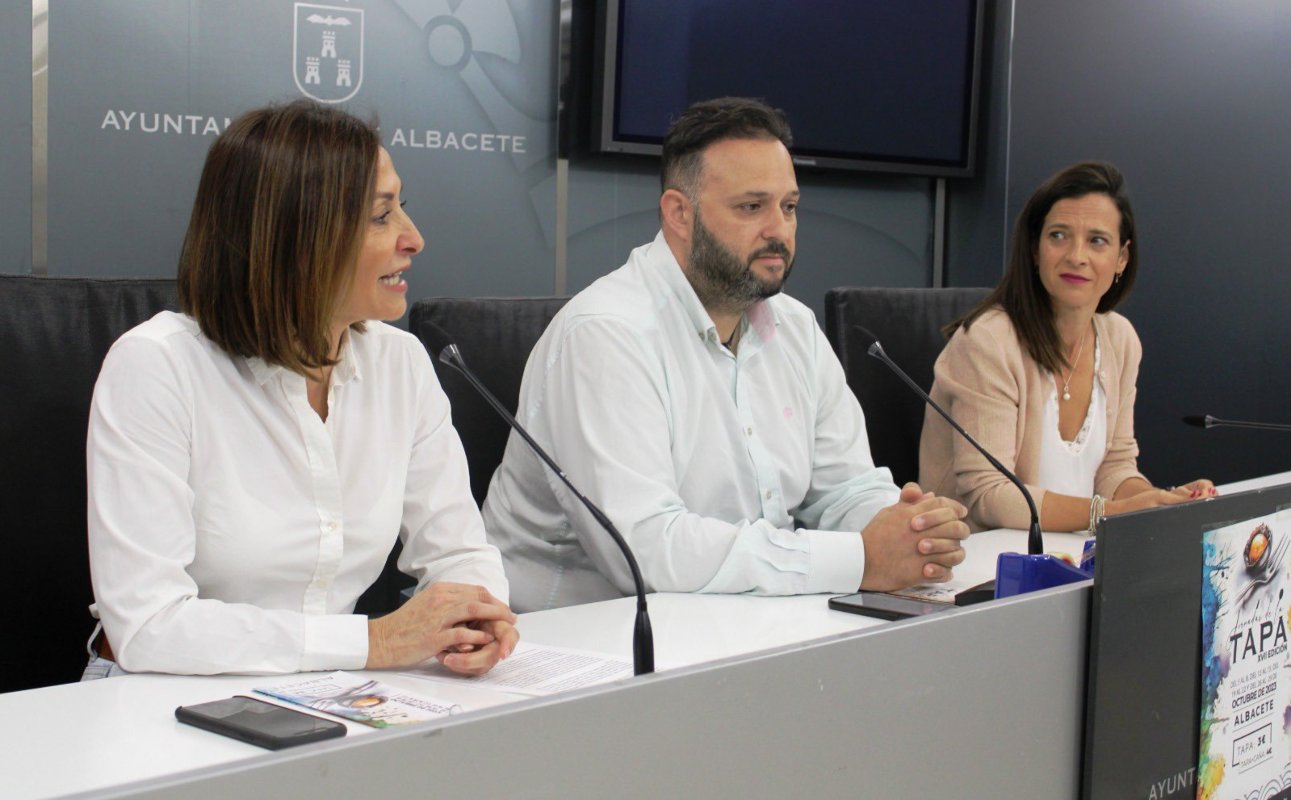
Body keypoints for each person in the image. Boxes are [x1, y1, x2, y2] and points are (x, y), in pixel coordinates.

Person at [482, 97, 969, 612]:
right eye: (751, 207)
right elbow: (645, 551)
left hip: (736, 616)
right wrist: (859, 558)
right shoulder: (605, 335)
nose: (779, 230)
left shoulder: (795, 328)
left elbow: (842, 489)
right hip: (572, 636)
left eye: (789, 207)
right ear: (679, 214)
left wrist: (908, 529)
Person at [84, 100, 518, 677]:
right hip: (155, 699)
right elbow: (148, 626)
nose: (414, 239)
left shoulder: (401, 362)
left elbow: (458, 551)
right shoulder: (156, 367)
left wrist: (474, 618)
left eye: (401, 209)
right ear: (297, 236)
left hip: (326, 693)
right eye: (380, 216)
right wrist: (375, 642)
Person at [919, 161, 1214, 532]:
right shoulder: (989, 341)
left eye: (1097, 240)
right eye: (1058, 235)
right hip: (980, 564)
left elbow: (1115, 467)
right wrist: (1108, 513)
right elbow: (988, 495)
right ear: (1035, 249)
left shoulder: (1120, 339)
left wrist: (1158, 502)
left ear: (1121, 257)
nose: (1076, 255)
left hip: (1072, 555)